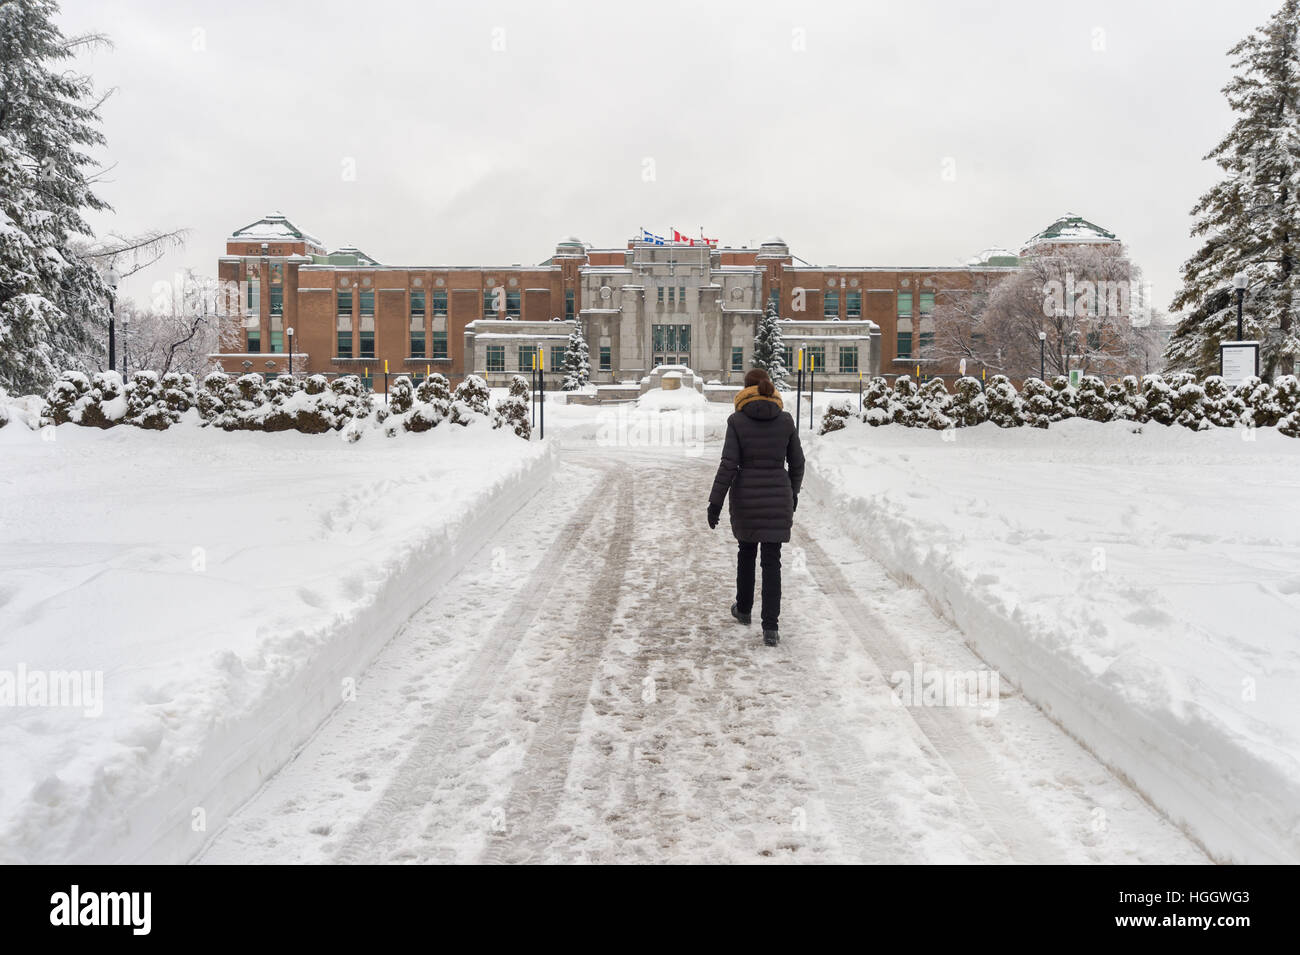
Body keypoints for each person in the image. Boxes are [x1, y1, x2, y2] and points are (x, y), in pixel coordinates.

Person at [707, 367, 805, 646]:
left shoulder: (737, 421)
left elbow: (729, 464)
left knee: (746, 552)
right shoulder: (785, 420)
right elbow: (798, 463)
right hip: (778, 496)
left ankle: (744, 609)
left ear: (746, 389)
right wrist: (793, 492)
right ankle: (771, 628)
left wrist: (715, 502)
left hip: (746, 498)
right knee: (772, 560)